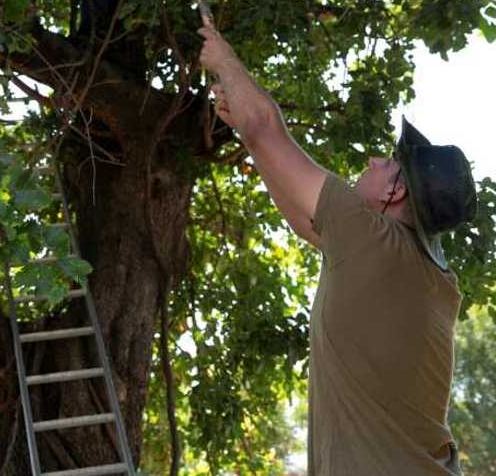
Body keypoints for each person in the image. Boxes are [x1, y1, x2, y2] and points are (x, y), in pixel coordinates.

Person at [198, 26, 477, 476]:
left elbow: (265, 126)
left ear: (395, 191)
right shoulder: (421, 273)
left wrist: (225, 59)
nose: (371, 161)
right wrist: (252, 140)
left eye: (385, 162)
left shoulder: (371, 241)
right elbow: (304, 217)